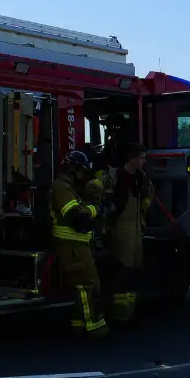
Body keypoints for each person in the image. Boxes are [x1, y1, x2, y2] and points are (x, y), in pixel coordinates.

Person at [50, 149, 109, 337]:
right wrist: (94, 207)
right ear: (73, 169)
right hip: (72, 246)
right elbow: (77, 218)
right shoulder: (61, 187)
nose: (84, 176)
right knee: (88, 286)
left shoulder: (71, 188)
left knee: (82, 287)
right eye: (83, 171)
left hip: (77, 245)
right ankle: (95, 326)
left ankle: (78, 324)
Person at [101, 143, 154, 323]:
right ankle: (117, 312)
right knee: (121, 270)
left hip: (136, 227)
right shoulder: (115, 176)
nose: (144, 161)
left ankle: (127, 311)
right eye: (142, 158)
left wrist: (144, 209)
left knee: (134, 270)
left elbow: (149, 195)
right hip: (122, 227)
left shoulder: (142, 178)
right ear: (132, 158)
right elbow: (95, 189)